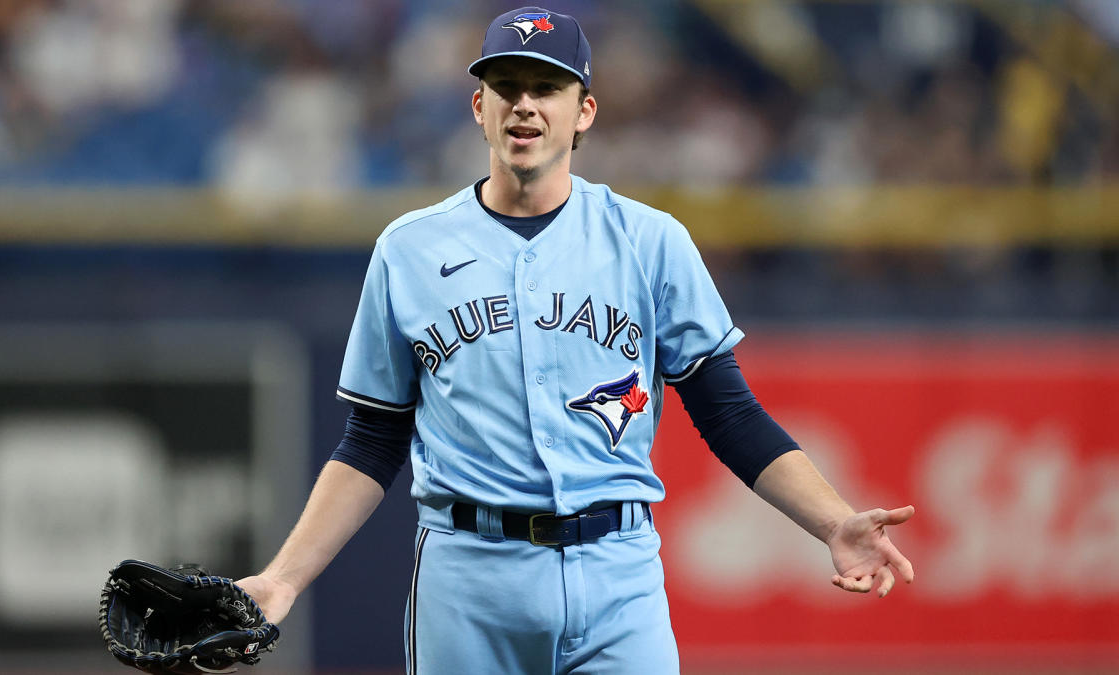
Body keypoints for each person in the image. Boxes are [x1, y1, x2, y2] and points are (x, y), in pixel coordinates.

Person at [237, 7, 915, 674]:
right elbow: (371, 439)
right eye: (506, 86)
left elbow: (730, 413)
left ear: (584, 110)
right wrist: (283, 579)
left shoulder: (650, 241)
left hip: (617, 576)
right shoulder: (408, 250)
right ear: (479, 106)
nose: (524, 104)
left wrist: (832, 522)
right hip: (468, 579)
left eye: (546, 87)